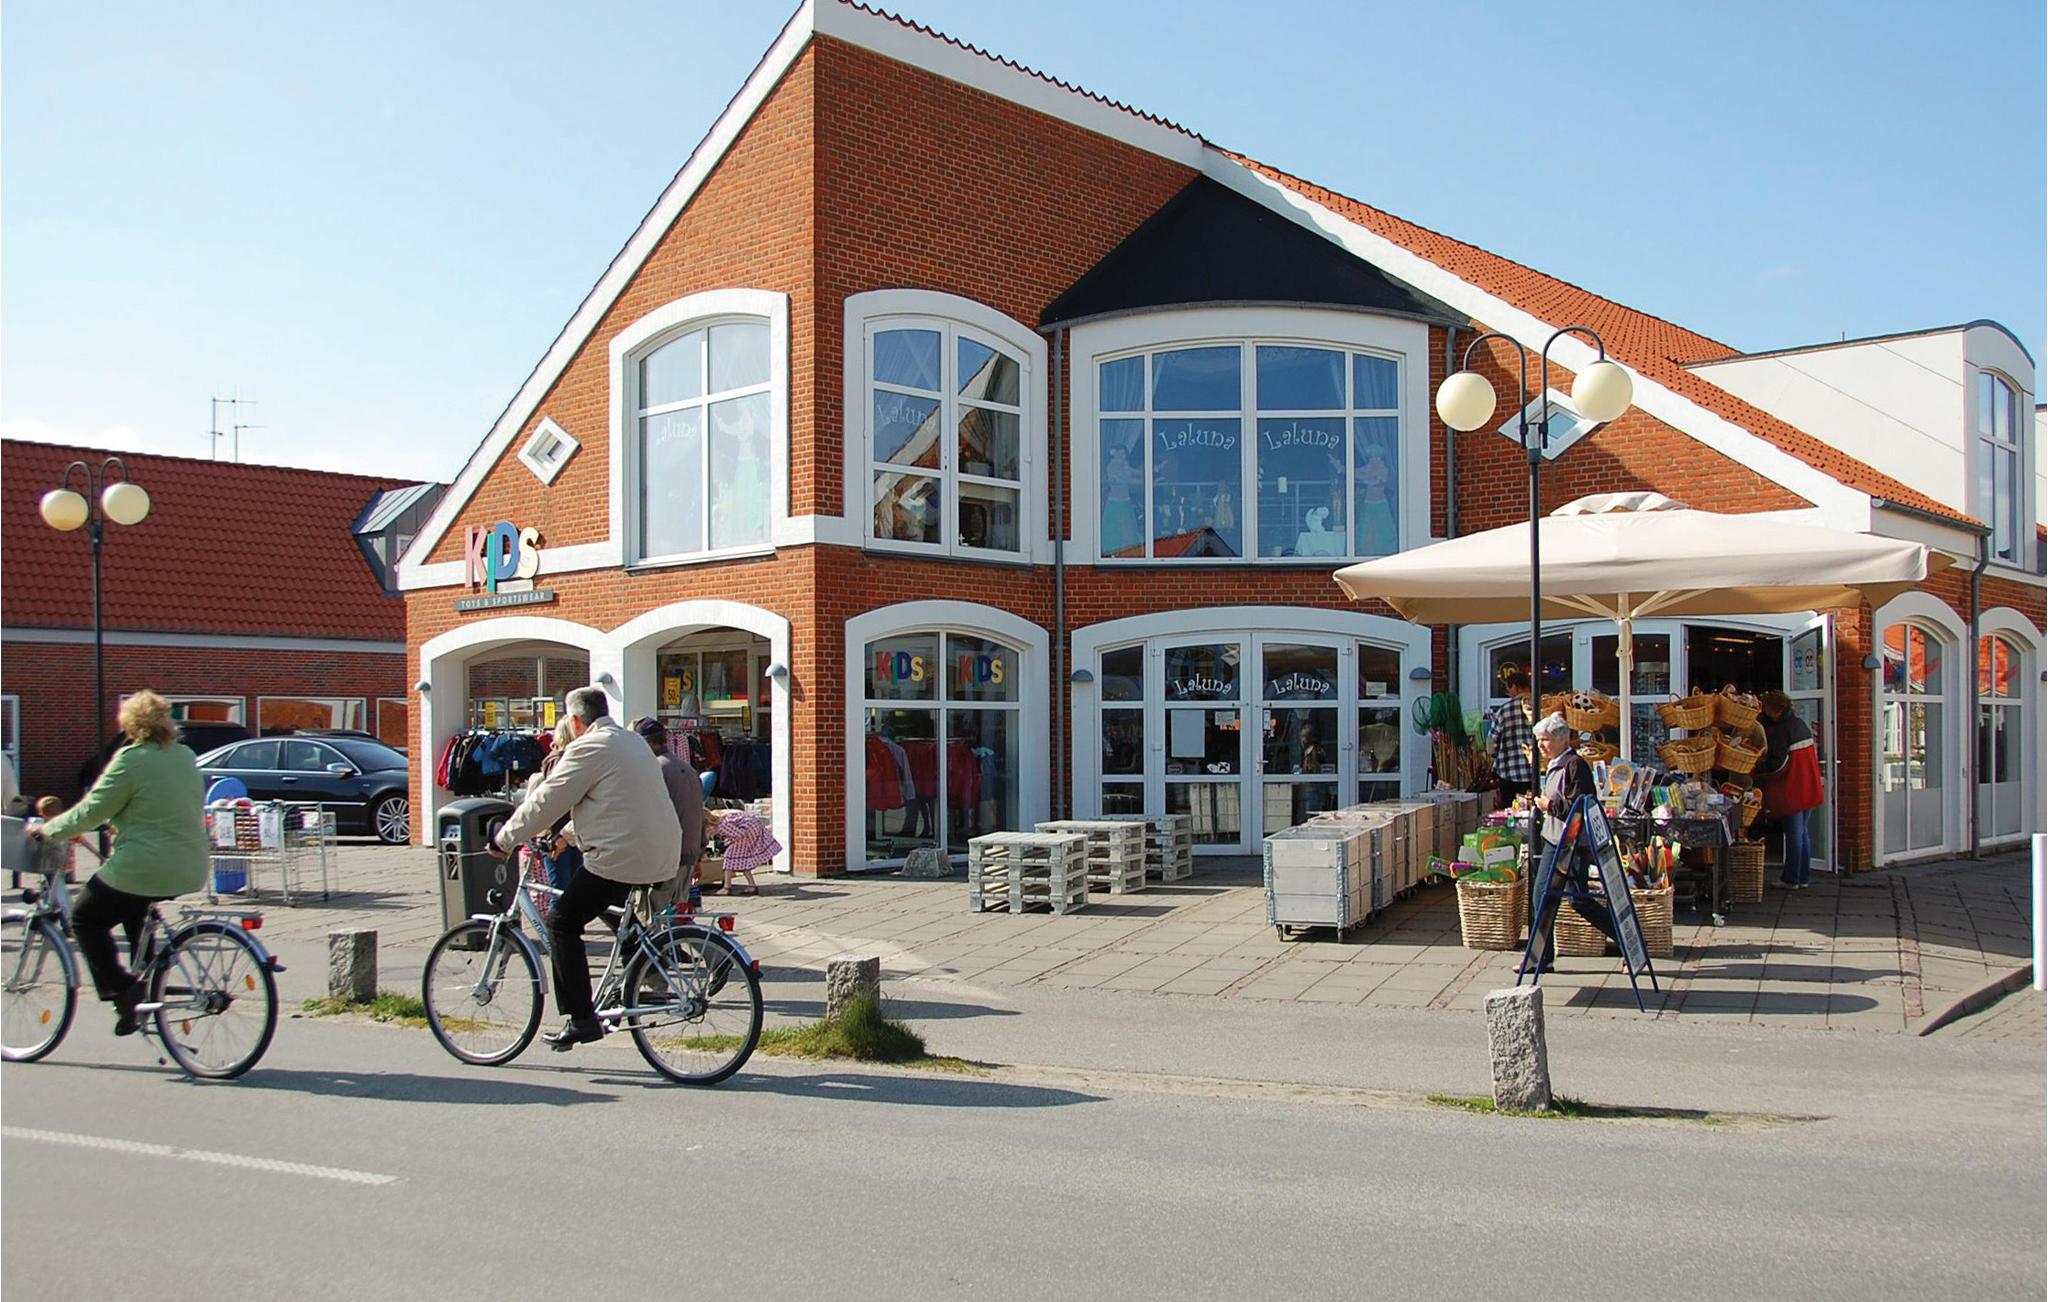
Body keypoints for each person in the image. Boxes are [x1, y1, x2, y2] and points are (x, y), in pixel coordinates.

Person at [489, 686, 681, 1051]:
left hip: (623, 857)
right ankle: (636, 976)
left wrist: (505, 839)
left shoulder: (589, 747)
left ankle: (581, 1019)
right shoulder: (631, 742)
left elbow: (547, 800)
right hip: (661, 851)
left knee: (562, 922)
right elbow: (615, 805)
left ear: (575, 720)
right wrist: (564, 837)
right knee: (613, 913)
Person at [28, 690, 208, 1035]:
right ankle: (146, 991)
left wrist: (47, 830)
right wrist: (124, 820)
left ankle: (122, 989)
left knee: (84, 918)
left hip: (144, 864)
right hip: (190, 864)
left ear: (130, 725)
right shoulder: (184, 756)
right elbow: (164, 804)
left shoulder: (131, 758)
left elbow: (90, 810)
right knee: (131, 907)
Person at [1521, 711, 1615, 975]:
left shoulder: (1574, 765)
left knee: (1577, 899)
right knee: (1544, 897)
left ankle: (1628, 939)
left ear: (1562, 739)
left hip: (1570, 843)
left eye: (1545, 740)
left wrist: (1548, 805)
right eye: (1539, 740)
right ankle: (1540, 958)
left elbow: (1579, 806)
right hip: (1555, 840)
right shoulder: (1556, 764)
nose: (1541, 745)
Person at [632, 717, 705, 911]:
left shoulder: (654, 769)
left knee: (651, 917)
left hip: (665, 858)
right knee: (677, 917)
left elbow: (646, 816)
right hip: (688, 854)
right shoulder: (688, 769)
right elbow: (700, 814)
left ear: (645, 743)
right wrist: (699, 855)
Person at [1758, 690, 1823, 889]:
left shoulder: (1782, 731)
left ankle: (1791, 878)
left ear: (1773, 709)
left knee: (1794, 836)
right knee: (1803, 835)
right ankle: (1803, 877)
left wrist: (1758, 769)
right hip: (1809, 787)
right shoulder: (1800, 725)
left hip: (1793, 789)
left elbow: (1776, 764)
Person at [1486, 666, 1537, 806]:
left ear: (1514, 686)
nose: (1508, 693)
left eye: (1508, 689)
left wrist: (1493, 755)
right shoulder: (1541, 706)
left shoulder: (1504, 710)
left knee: (1511, 812)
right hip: (1536, 772)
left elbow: (1492, 743)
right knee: (1535, 811)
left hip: (1509, 772)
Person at [706, 806, 780, 896]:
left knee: (729, 856)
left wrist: (728, 840)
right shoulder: (721, 815)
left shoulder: (722, 825)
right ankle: (752, 886)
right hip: (751, 827)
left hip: (748, 830)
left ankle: (727, 888)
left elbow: (739, 834)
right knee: (741, 858)